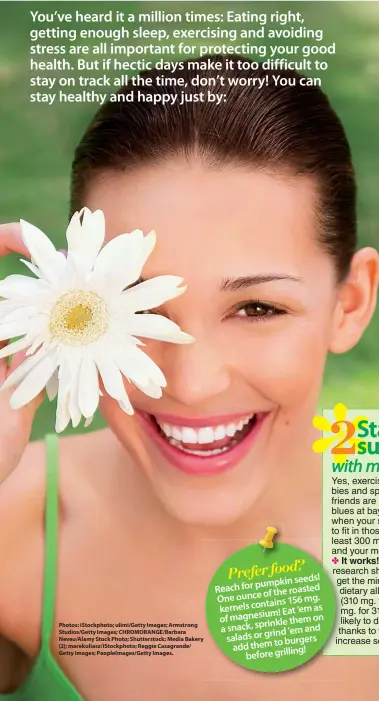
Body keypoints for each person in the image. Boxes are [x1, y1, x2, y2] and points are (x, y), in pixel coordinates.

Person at [0, 57, 378, 701]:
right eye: (141, 309)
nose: (194, 384)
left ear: (349, 305)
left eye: (257, 308)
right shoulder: (19, 524)